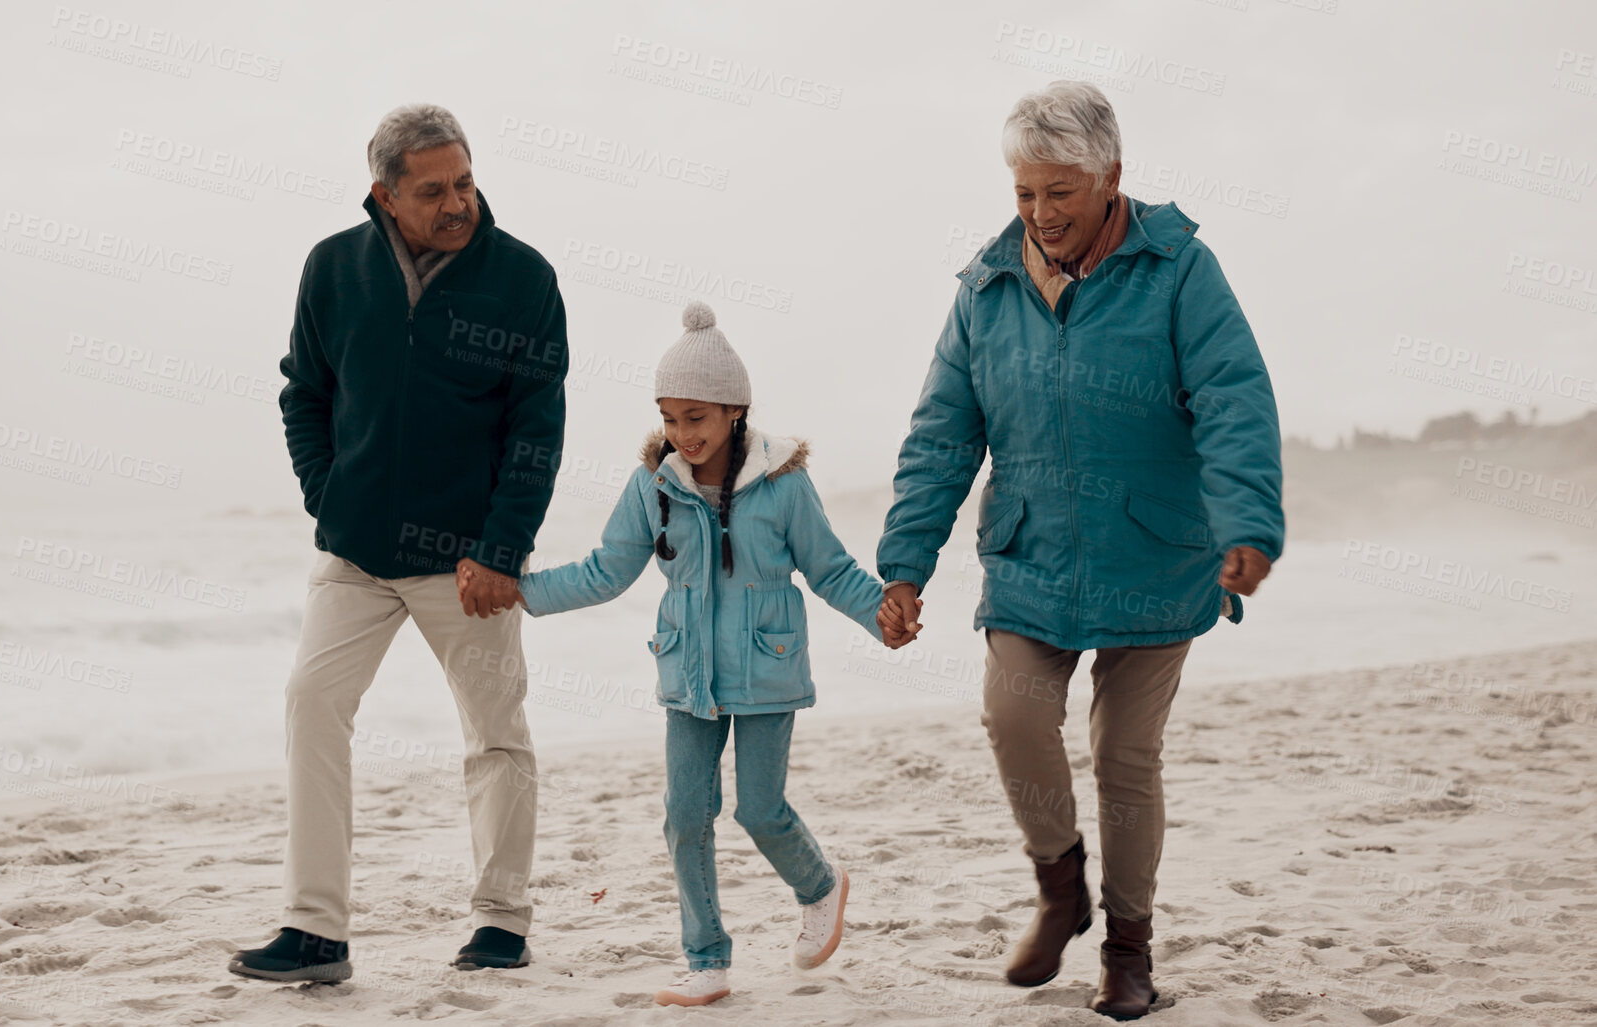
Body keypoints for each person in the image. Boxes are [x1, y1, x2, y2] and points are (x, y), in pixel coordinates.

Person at [876, 81, 1282, 1020]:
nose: (1040, 213)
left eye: (1059, 191)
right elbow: (942, 435)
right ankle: (1061, 889)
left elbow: (1233, 401)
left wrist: (1247, 522)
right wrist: (905, 564)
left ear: (1110, 177)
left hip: (1157, 555)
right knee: (1011, 717)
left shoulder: (1179, 270)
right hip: (1030, 559)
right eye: (1024, 192)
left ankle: (1127, 947)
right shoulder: (984, 289)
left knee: (1123, 755)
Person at [230, 103, 569, 983]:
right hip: (356, 550)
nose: (457, 201)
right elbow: (303, 393)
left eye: (464, 180)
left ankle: (501, 920)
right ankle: (316, 930)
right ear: (382, 194)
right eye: (432, 190)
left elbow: (537, 426)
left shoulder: (522, 277)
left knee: (495, 731)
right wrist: (328, 494)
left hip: (469, 558)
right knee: (312, 702)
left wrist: (503, 547)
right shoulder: (333, 268)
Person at [513, 302, 894, 1007]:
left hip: (767, 668)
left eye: (696, 416)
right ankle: (706, 958)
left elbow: (830, 568)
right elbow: (605, 570)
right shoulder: (652, 487)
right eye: (669, 417)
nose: (681, 433)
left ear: (733, 412)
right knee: (685, 814)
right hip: (686, 675)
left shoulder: (783, 485)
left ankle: (820, 884)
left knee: (759, 808)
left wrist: (881, 613)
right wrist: (522, 592)